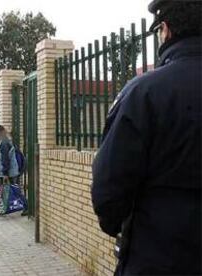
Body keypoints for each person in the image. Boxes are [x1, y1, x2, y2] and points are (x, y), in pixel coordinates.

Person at [91, 1, 201, 274]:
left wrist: (116, 223)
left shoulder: (144, 94)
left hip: (158, 256)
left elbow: (109, 189)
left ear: (165, 29)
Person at [0, 125, 28, 217]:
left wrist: (5, 174)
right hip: (10, 171)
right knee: (9, 190)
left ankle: (26, 206)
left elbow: (5, 160)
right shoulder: (7, 141)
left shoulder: (4, 143)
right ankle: (1, 209)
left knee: (11, 191)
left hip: (7, 172)